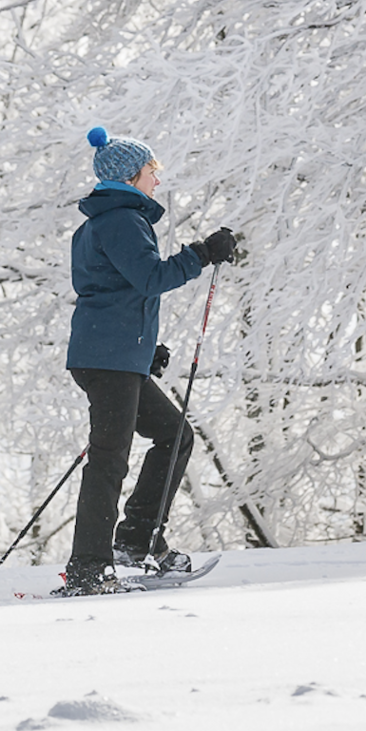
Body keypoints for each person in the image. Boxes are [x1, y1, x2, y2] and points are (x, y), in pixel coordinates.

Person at [56, 126, 237, 597]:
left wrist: (141, 346)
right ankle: (88, 570)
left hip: (112, 353)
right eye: (152, 171)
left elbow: (111, 289)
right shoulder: (120, 220)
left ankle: (135, 540)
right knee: (109, 460)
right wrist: (202, 253)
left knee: (174, 435)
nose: (157, 179)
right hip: (108, 358)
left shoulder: (103, 222)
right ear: (131, 176)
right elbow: (150, 277)